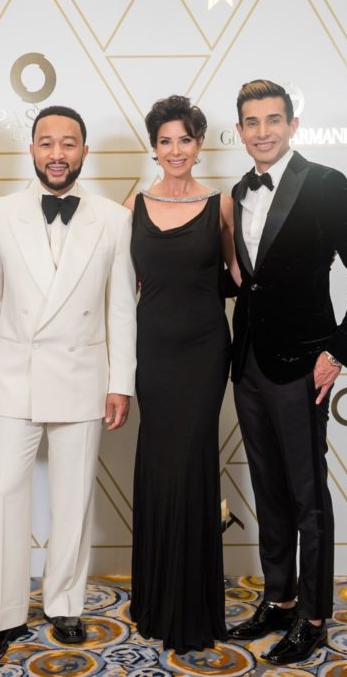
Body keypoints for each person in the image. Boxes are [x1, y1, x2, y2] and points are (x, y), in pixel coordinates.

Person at [0, 105, 137, 662]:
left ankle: (66, 604)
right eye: (46, 142)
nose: (57, 153)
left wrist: (121, 382)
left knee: (73, 499)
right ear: (32, 149)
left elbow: (121, 310)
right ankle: (3, 615)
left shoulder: (114, 218)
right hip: (13, 376)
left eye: (68, 143)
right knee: (5, 494)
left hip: (84, 376)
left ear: (85, 151)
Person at [225, 79, 347, 665]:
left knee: (307, 496)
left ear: (292, 125)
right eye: (251, 121)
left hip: (303, 367)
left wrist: (339, 351)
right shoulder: (239, 189)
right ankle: (279, 598)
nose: (262, 131)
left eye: (273, 120)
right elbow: (247, 278)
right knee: (268, 490)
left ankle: (314, 617)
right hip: (246, 363)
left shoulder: (324, 184)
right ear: (240, 130)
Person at [129, 95, 237, 653]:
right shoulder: (134, 203)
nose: (176, 150)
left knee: (192, 464)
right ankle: (153, 600)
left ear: (199, 144)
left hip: (203, 351)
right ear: (155, 146)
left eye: (185, 140)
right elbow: (116, 287)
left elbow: (242, 275)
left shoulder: (222, 204)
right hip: (151, 352)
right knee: (158, 461)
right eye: (165, 140)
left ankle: (191, 607)